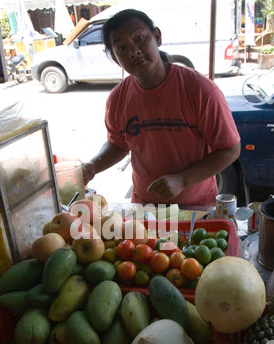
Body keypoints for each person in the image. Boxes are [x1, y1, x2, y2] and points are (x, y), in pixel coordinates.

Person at [83, 9, 241, 206]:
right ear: (115, 58)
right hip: (144, 210)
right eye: (122, 48)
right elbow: (118, 144)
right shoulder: (118, 98)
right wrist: (93, 166)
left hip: (196, 210)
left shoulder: (200, 89)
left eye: (140, 38)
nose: (134, 51)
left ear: (157, 37)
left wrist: (182, 180)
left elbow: (230, 149)